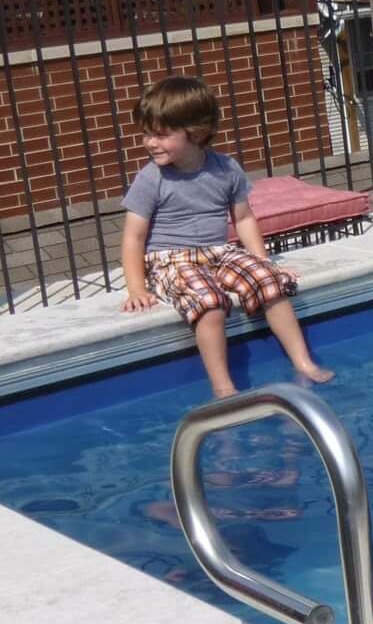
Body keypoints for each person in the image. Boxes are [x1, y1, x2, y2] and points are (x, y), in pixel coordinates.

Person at [118, 75, 332, 398]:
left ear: (196, 132)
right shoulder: (151, 179)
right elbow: (133, 238)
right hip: (170, 259)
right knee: (212, 304)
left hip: (219, 251)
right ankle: (224, 387)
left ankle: (303, 361)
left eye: (161, 135)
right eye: (147, 134)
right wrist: (136, 287)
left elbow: (244, 219)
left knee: (269, 283)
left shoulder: (225, 169)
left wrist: (264, 262)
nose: (150, 143)